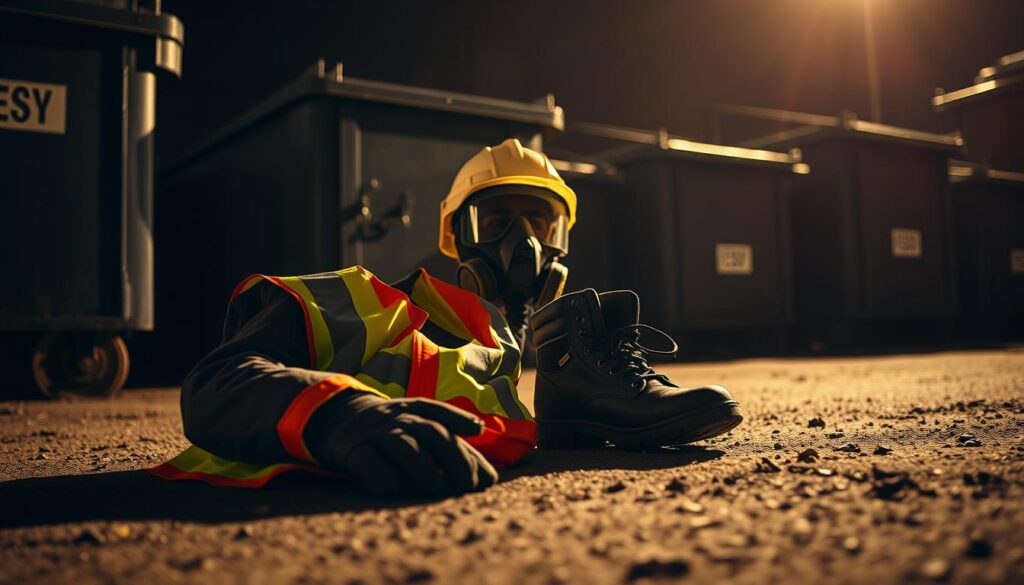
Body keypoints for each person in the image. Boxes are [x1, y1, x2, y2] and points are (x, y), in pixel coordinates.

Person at [151, 139, 741, 497]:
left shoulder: (497, 367)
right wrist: (341, 417)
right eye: (499, 221)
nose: (524, 244)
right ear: (456, 239)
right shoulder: (367, 300)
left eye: (541, 225)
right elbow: (212, 385)